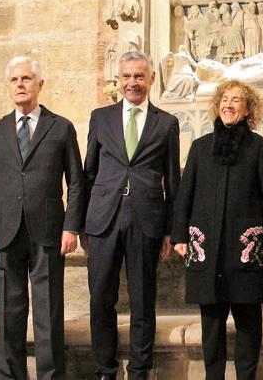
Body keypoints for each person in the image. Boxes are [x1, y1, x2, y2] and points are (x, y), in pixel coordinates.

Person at [0, 56, 83, 380]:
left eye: (26, 79)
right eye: (14, 80)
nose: (20, 85)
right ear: (9, 87)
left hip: (48, 232)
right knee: (9, 316)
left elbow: (76, 182)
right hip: (5, 233)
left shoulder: (61, 127)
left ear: (39, 85)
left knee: (48, 316)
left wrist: (71, 226)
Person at [171, 80, 263, 380]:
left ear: (248, 109)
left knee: (248, 318)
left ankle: (246, 376)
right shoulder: (199, 148)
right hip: (207, 245)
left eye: (237, 100)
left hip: (246, 244)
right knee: (211, 319)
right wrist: (180, 235)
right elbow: (185, 195)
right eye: (225, 99)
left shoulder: (260, 147)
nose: (229, 104)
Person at [82, 51, 180, 380]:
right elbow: (88, 173)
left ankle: (139, 370)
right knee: (101, 300)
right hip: (103, 220)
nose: (132, 82)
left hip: (146, 219)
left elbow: (172, 181)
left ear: (151, 79)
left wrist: (171, 231)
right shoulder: (101, 117)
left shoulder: (166, 123)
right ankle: (105, 370)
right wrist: (81, 224)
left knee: (142, 300)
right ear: (118, 80)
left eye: (139, 76)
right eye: (126, 76)